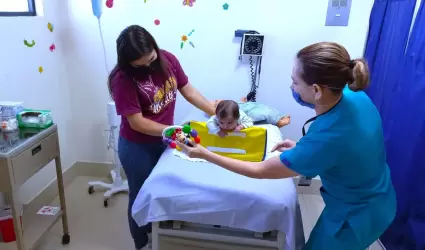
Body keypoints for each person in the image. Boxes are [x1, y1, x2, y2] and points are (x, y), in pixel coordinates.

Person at [177, 42, 397, 250]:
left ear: (317, 90)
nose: (291, 86)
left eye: (295, 82)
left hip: (356, 216)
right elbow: (349, 148)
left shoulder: (326, 137)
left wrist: (205, 154)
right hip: (379, 196)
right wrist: (302, 148)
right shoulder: (353, 95)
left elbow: (260, 170)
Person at [108, 25, 215, 250]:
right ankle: (142, 243)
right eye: (141, 64)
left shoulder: (167, 59)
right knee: (141, 197)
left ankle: (162, 237)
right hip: (137, 147)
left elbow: (188, 90)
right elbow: (136, 122)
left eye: (150, 59)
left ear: (155, 48)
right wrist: (173, 130)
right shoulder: (122, 78)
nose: (148, 66)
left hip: (164, 140)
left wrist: (215, 112)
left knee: (165, 191)